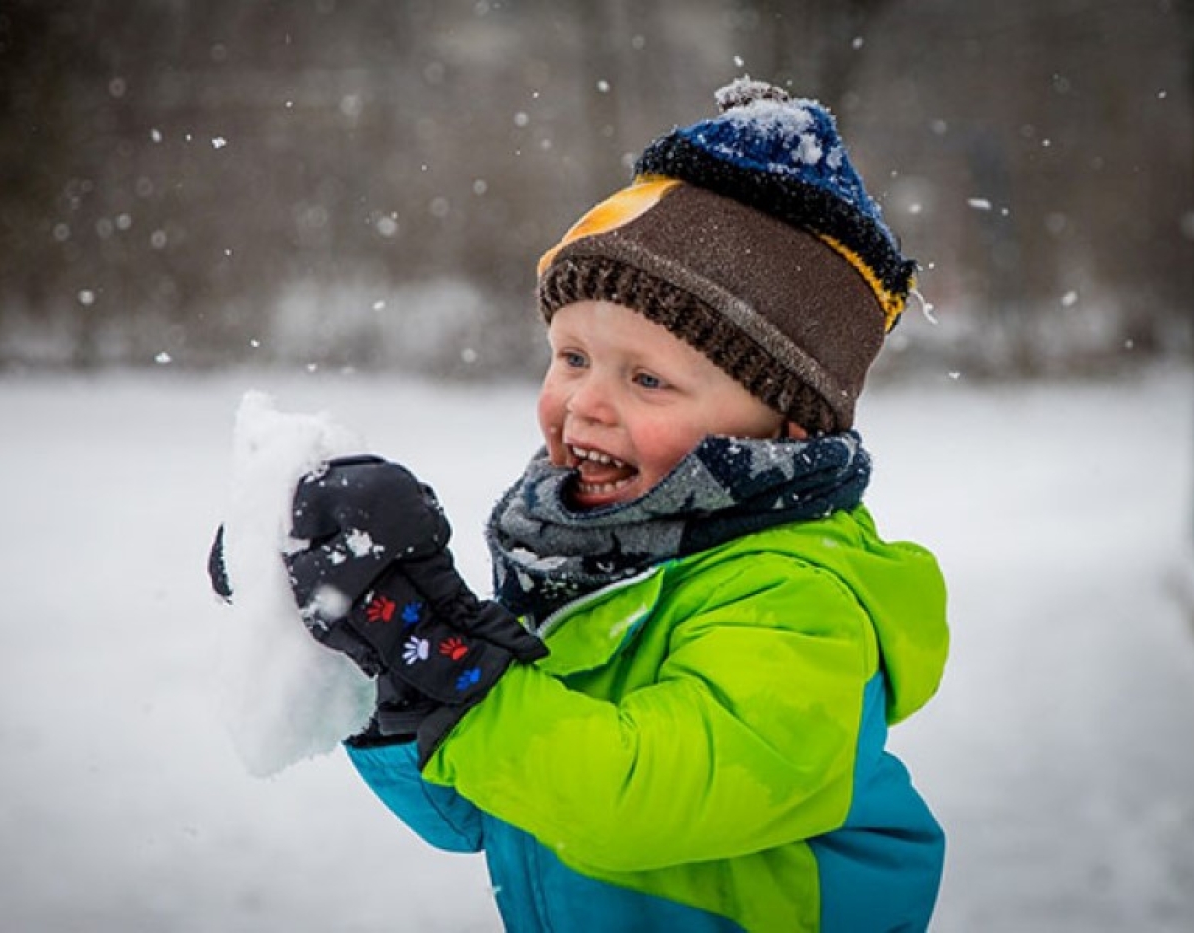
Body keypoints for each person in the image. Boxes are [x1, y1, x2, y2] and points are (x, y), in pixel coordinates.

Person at [241, 77, 950, 932]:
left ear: (784, 427)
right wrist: (389, 659)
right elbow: (484, 810)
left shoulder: (798, 602)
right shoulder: (587, 559)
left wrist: (465, 674)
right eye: (572, 356)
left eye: (646, 378)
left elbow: (632, 796)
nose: (585, 404)